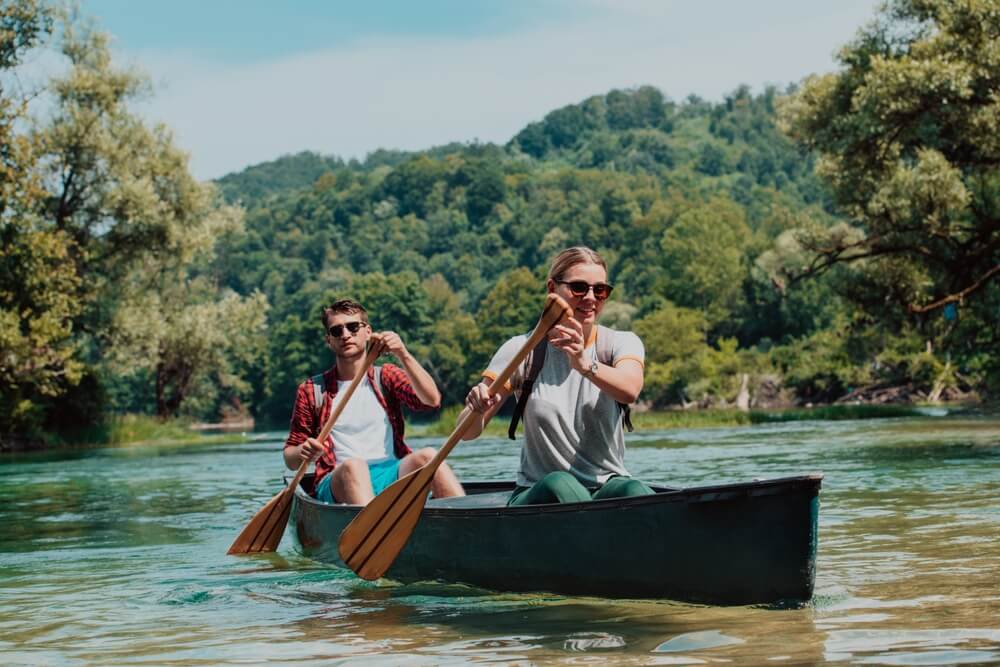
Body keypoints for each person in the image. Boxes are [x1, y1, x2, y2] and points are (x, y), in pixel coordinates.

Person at [462, 246, 653, 505]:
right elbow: (468, 432)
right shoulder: (520, 350)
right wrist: (475, 407)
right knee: (560, 484)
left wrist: (585, 364)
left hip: (604, 488)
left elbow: (629, 389)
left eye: (600, 290)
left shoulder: (620, 343)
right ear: (552, 289)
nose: (590, 298)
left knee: (632, 489)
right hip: (538, 494)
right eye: (578, 288)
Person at [284, 299, 465, 505]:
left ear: (367, 331)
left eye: (353, 327)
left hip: (391, 473)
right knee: (354, 466)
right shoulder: (312, 390)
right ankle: (373, 531)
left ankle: (466, 526)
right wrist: (303, 451)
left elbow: (431, 400)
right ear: (329, 341)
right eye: (336, 331)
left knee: (429, 456)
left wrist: (403, 354)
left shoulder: (385, 377)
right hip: (337, 479)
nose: (345, 335)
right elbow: (290, 458)